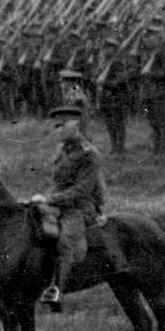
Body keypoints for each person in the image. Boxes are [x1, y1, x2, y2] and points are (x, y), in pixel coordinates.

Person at [40, 89, 108, 310]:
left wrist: (52, 199)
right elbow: (57, 181)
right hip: (59, 202)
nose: (57, 130)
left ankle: (56, 291)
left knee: (65, 241)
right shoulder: (63, 149)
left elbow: (81, 191)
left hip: (79, 207)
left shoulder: (89, 153)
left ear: (76, 125)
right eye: (56, 125)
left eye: (62, 125)